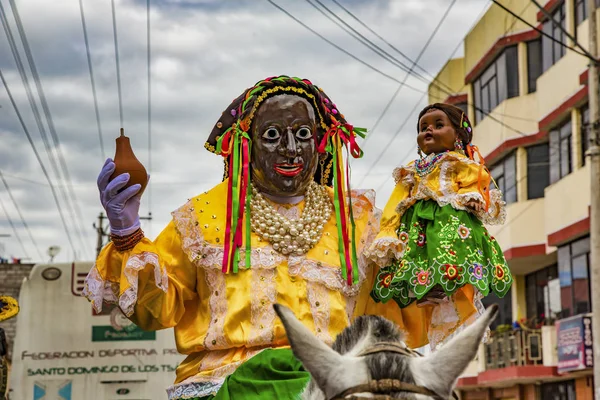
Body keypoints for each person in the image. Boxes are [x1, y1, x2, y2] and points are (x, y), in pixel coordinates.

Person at [83, 77, 480, 400]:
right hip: (226, 382)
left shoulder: (359, 220)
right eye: (272, 134)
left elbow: (390, 312)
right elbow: (156, 313)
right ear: (246, 144)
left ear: (320, 142)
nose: (290, 149)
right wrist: (125, 231)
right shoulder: (201, 218)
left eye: (303, 133)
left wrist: (428, 289)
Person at [367, 103, 512, 321]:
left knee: (450, 254)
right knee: (417, 260)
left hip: (451, 223)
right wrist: (389, 228)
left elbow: (475, 181)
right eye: (423, 127)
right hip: (418, 227)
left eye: (438, 124)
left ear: (458, 135)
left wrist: (473, 197)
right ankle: (426, 290)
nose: (428, 130)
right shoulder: (411, 170)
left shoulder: (459, 162)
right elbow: (397, 199)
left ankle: (451, 284)